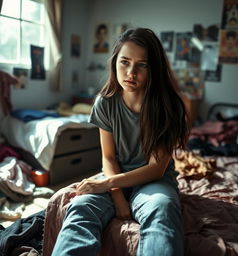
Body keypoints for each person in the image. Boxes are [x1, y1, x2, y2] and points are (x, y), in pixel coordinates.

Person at [52, 27, 189, 256]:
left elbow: (156, 169)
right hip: (115, 174)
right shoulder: (104, 103)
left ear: (153, 68)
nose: (131, 72)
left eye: (142, 65)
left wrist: (106, 184)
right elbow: (108, 157)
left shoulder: (169, 107)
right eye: (124, 62)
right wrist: (117, 197)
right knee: (80, 206)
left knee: (163, 209)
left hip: (152, 182)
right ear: (115, 62)